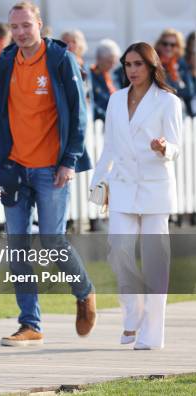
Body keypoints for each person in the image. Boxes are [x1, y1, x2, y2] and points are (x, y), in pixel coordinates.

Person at [0, 1, 97, 346]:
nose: (20, 33)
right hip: (14, 168)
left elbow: (78, 112)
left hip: (51, 169)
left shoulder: (60, 59)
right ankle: (30, 324)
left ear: (39, 25)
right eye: (14, 27)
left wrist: (70, 160)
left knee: (52, 241)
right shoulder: (5, 62)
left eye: (26, 26)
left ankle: (84, 292)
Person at [90, 42, 182, 350]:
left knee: (156, 262)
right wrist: (98, 181)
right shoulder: (116, 100)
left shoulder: (168, 102)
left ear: (151, 66)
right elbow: (110, 147)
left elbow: (176, 146)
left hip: (156, 187)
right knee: (118, 252)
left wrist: (163, 148)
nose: (132, 70)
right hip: (123, 186)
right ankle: (134, 312)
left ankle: (152, 336)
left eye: (138, 64)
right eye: (128, 65)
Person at [155, 29, 195, 117]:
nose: (168, 47)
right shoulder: (153, 64)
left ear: (178, 47)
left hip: (177, 113)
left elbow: (189, 92)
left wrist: (177, 78)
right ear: (159, 44)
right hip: (156, 112)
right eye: (165, 43)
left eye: (173, 45)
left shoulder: (181, 65)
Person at [90, 39, 122, 121]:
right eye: (109, 62)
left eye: (114, 62)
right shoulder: (90, 77)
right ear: (98, 59)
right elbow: (93, 104)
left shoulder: (112, 76)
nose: (112, 66)